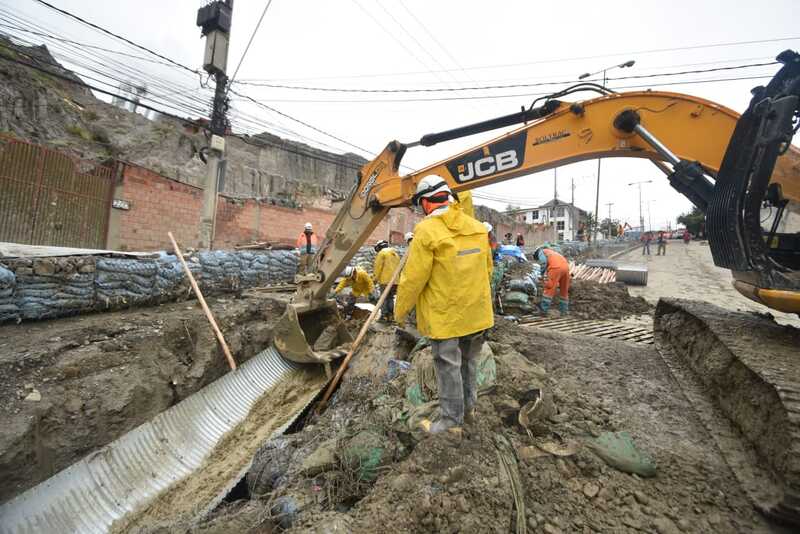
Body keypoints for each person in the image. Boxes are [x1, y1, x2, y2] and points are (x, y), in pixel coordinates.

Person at [395, 175, 494, 439]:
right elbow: (487, 269)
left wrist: (399, 311)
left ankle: (451, 424)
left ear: (426, 202)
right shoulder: (476, 227)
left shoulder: (427, 231)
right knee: (469, 364)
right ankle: (468, 411)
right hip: (477, 314)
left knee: (448, 368)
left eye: (419, 205)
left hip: (445, 317)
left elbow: (413, 279)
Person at [534, 245, 570, 315]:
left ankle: (543, 310)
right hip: (566, 267)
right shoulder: (552, 252)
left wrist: (541, 274)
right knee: (564, 290)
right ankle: (564, 311)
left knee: (549, 288)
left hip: (555, 268)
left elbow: (543, 263)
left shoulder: (541, 252)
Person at [372, 240, 400, 322]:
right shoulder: (396, 254)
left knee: (384, 298)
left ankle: (384, 316)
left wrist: (375, 279)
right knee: (390, 298)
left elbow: (378, 268)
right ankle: (391, 316)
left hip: (385, 280)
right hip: (395, 281)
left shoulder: (382, 253)